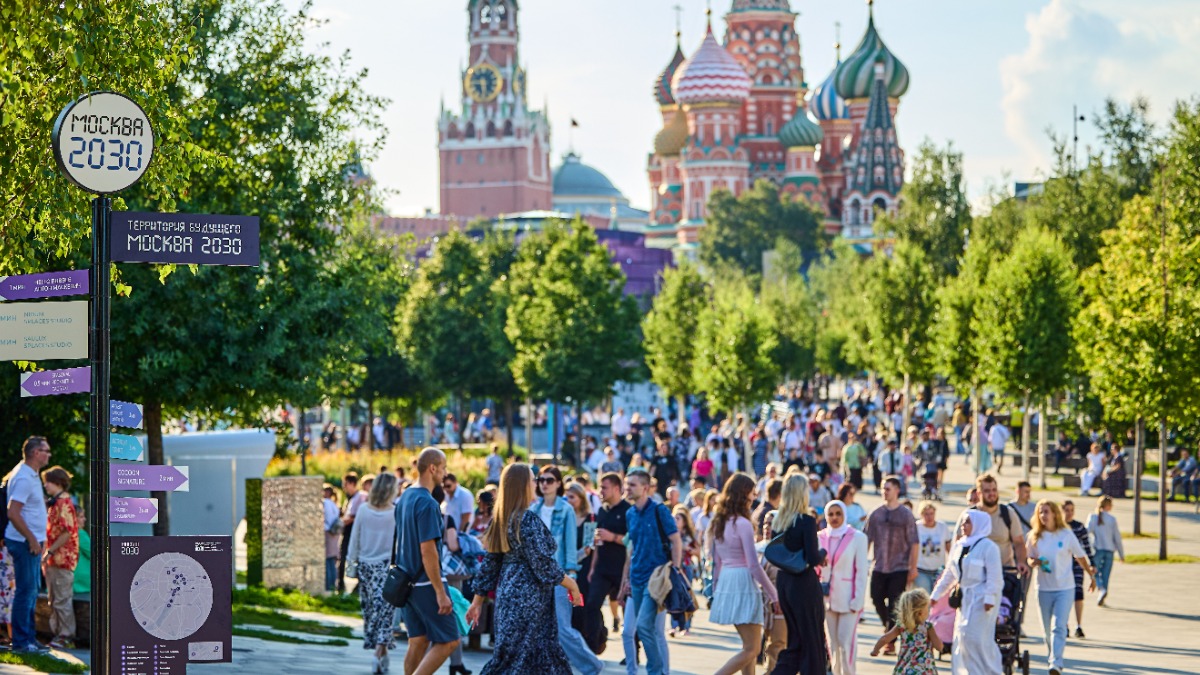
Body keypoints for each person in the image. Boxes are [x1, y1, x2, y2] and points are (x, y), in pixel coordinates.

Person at [466, 463, 582, 675]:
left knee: (512, 658)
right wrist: (572, 584)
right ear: (522, 486)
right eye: (532, 480)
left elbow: (490, 565)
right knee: (530, 659)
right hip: (529, 600)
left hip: (509, 598)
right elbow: (544, 566)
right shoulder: (526, 520)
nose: (536, 484)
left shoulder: (503, 519)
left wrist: (477, 601)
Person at [394, 448, 459, 675]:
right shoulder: (428, 503)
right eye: (443, 467)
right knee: (449, 640)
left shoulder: (406, 497)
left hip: (406, 582)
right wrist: (440, 592)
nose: (445, 472)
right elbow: (428, 550)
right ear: (433, 468)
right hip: (425, 583)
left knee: (418, 640)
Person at [534, 466, 604, 675]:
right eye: (541, 480)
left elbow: (571, 546)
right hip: (537, 578)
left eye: (549, 480)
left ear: (557, 484)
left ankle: (592, 666)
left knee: (563, 628)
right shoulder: (533, 510)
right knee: (539, 629)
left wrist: (571, 575)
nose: (544, 483)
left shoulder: (565, 510)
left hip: (560, 575)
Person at [709, 473, 778, 674]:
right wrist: (774, 594)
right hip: (742, 582)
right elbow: (753, 565)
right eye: (751, 492)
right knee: (753, 649)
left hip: (727, 581)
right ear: (743, 494)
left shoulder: (719, 522)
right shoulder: (743, 524)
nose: (754, 496)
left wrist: (716, 589)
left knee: (749, 646)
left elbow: (717, 562)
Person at [619, 468, 682, 675]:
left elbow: (675, 540)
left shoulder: (659, 510)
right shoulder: (630, 513)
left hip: (657, 578)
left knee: (644, 626)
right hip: (636, 577)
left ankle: (656, 671)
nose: (627, 488)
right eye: (627, 484)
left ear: (645, 488)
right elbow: (633, 548)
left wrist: (675, 568)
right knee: (647, 629)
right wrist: (626, 578)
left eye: (632, 485)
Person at [1026, 500, 1097, 675]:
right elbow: (1029, 558)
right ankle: (1053, 656)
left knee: (1058, 626)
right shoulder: (1034, 536)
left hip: (1065, 588)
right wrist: (1033, 562)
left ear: (1055, 514)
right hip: (1043, 588)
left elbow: (1080, 556)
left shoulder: (1066, 534)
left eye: (1046, 512)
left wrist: (1091, 575)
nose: (1043, 516)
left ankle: (1055, 663)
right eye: (1040, 512)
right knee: (1046, 629)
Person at [768, 473, 827, 675]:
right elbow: (812, 558)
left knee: (795, 641)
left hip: (784, 583)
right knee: (812, 641)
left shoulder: (778, 521)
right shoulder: (806, 521)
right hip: (804, 585)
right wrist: (823, 553)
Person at [930, 510, 1002, 675]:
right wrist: (935, 596)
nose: (963, 525)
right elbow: (949, 574)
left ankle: (990, 671)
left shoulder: (989, 547)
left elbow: (995, 577)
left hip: (983, 599)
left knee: (976, 638)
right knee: (961, 637)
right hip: (965, 599)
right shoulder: (959, 545)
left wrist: (989, 597)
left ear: (978, 524)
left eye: (968, 522)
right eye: (962, 522)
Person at [347, 473, 399, 674]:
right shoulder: (395, 513)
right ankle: (380, 654)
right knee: (385, 613)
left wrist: (351, 565)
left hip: (366, 568)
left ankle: (380, 653)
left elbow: (355, 539)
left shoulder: (363, 510)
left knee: (374, 612)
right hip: (386, 568)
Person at [4, 436, 51, 653]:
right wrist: (32, 539)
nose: (49, 454)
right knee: (26, 591)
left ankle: (30, 639)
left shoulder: (31, 475)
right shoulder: (23, 477)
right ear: (35, 453)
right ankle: (22, 643)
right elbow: (13, 512)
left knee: (32, 591)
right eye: (45, 451)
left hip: (32, 542)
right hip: (24, 542)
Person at [865, 477, 919, 654]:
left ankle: (890, 640)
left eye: (888, 488)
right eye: (882, 488)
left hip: (900, 566)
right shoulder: (876, 514)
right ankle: (888, 628)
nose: (884, 492)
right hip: (879, 565)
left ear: (897, 490)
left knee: (895, 603)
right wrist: (861, 562)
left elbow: (914, 542)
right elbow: (866, 539)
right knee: (876, 597)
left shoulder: (905, 514)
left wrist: (913, 567)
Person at [818, 500, 868, 675]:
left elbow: (862, 571)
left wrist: (858, 600)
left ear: (844, 515)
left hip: (849, 599)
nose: (834, 517)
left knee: (846, 642)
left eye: (838, 513)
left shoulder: (857, 537)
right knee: (833, 644)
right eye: (830, 514)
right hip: (825, 599)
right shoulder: (819, 537)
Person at [586, 472, 630, 648]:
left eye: (604, 487)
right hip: (602, 568)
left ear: (616, 488)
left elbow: (632, 540)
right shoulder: (602, 510)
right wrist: (592, 568)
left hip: (621, 569)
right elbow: (598, 541)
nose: (600, 491)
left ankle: (632, 653)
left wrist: (613, 537)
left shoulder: (628, 511)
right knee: (591, 605)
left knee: (627, 611)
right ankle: (595, 645)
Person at [41, 466, 78, 649]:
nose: (45, 485)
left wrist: (50, 551)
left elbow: (67, 533)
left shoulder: (64, 504)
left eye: (47, 481)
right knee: (54, 599)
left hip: (62, 559)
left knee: (62, 598)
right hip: (53, 560)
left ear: (57, 482)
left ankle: (65, 636)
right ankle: (58, 634)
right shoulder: (56, 502)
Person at [870, 588, 943, 675]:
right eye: (927, 608)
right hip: (924, 669)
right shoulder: (927, 627)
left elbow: (885, 638)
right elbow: (939, 647)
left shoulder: (902, 626)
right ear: (920, 612)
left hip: (905, 668)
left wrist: (876, 650)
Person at [974, 474, 1030, 577]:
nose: (992, 494)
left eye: (994, 490)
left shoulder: (1008, 514)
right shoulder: (971, 516)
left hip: (1004, 573)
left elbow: (1019, 543)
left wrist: (1021, 561)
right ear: (979, 493)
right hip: (977, 576)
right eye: (987, 491)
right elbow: (959, 544)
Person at [565, 483, 596, 636]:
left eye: (572, 497)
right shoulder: (564, 516)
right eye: (567, 497)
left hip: (582, 566)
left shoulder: (590, 518)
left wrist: (572, 558)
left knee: (580, 603)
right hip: (565, 566)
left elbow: (588, 547)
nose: (569, 500)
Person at [1061, 500, 1094, 637]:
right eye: (1066, 510)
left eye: (1071, 510)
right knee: (1064, 595)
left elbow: (1086, 546)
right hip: (1062, 565)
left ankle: (1079, 626)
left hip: (1077, 564)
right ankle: (1065, 624)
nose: (1069, 513)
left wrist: (1092, 564)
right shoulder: (1058, 528)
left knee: (1078, 593)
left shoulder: (1079, 527)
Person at [1086, 495, 1124, 607]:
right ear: (1108, 506)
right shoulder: (1111, 519)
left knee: (1094, 572)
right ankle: (1102, 592)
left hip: (1098, 549)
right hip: (1109, 550)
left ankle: (1101, 588)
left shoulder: (1093, 517)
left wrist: (1088, 546)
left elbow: (1087, 532)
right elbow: (1117, 537)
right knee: (1106, 574)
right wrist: (1121, 554)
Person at [671, 504, 700, 637]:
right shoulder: (670, 534)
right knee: (673, 596)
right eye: (674, 517)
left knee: (686, 596)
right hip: (673, 568)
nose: (675, 520)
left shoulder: (689, 536)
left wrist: (688, 549)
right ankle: (674, 626)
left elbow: (698, 551)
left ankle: (686, 626)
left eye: (678, 518)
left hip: (686, 568)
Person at [913, 500, 951, 594]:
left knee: (938, 595)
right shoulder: (917, 527)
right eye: (926, 514)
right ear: (921, 515)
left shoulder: (942, 527)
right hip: (921, 569)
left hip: (939, 569)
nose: (929, 517)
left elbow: (949, 548)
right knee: (926, 593)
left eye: (931, 514)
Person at [338, 472, 364, 594]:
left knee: (354, 558)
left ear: (352, 483)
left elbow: (355, 517)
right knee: (342, 558)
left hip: (353, 532)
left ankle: (358, 585)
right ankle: (340, 585)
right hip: (348, 531)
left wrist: (342, 522)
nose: (344, 487)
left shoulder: (360, 497)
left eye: (346, 484)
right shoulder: (351, 498)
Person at [322, 484, 341, 592]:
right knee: (332, 560)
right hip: (334, 533)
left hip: (328, 532)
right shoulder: (334, 504)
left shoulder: (326, 503)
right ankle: (333, 584)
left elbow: (327, 519)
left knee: (328, 560)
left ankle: (329, 586)